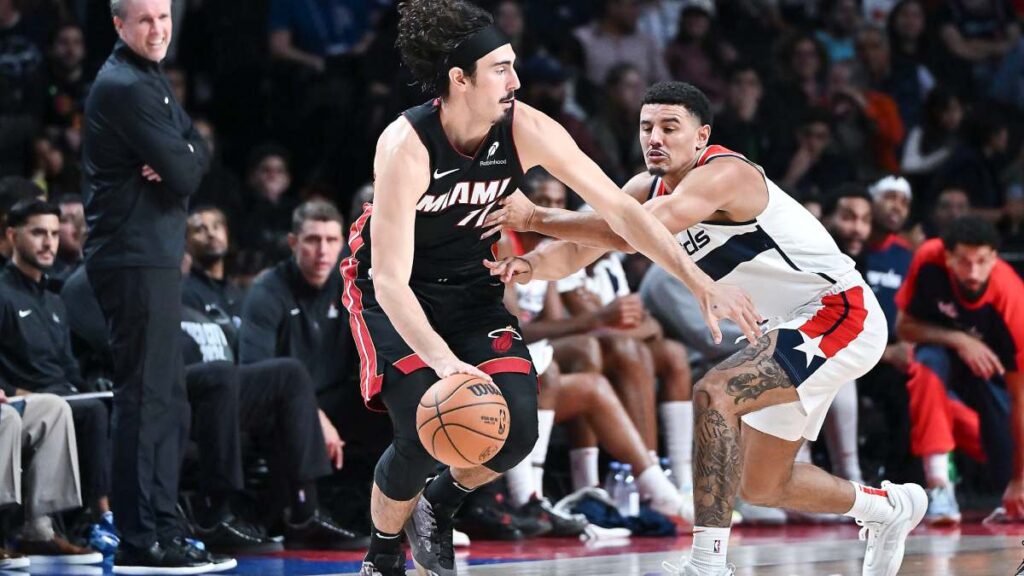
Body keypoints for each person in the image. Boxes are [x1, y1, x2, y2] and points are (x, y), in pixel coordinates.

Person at [349, 4, 758, 575]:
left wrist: (696, 279)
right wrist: (444, 364)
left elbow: (621, 210)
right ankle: (383, 557)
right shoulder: (406, 146)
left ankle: (437, 507)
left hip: (470, 284)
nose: (516, 81)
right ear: (458, 79)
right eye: (500, 69)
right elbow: (390, 278)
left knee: (515, 432)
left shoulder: (526, 127)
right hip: (392, 291)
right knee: (423, 432)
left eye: (514, 66)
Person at [483, 81, 926, 576]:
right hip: (784, 326)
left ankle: (708, 565)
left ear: (701, 137)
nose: (655, 137)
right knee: (763, 485)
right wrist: (528, 264)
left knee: (714, 392)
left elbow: (633, 234)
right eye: (647, 126)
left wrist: (539, 215)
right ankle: (887, 509)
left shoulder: (725, 174)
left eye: (670, 128)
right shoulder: (640, 191)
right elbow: (578, 249)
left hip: (838, 309)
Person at [79, 0, 227, 572]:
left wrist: (179, 153)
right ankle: (141, 540)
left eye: (164, 18)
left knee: (167, 397)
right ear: (118, 24)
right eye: (144, 19)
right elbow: (190, 170)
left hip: (155, 256)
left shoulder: (148, 76)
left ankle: (164, 526)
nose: (157, 29)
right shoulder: (124, 85)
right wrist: (180, 156)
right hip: (130, 256)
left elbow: (198, 148)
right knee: (143, 397)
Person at [896, 216, 1024, 525]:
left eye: (982, 261)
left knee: (1007, 466)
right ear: (948, 256)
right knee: (925, 362)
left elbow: (1021, 399)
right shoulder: (927, 259)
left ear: (994, 257)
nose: (974, 272)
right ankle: (939, 485)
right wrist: (959, 339)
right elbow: (904, 327)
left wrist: (1019, 479)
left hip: (992, 380)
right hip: (939, 361)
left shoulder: (1012, 302)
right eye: (964, 262)